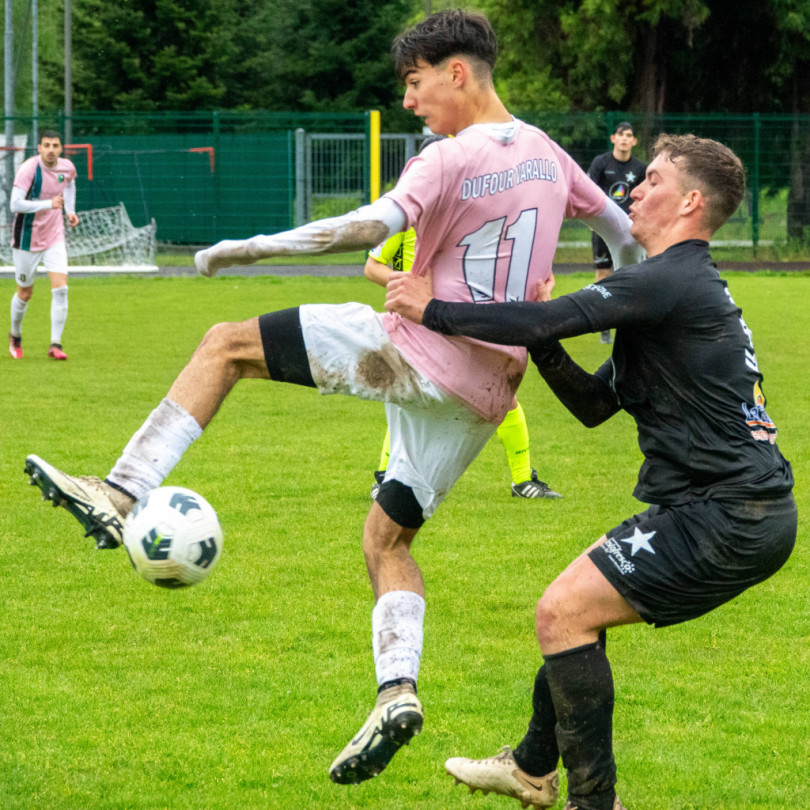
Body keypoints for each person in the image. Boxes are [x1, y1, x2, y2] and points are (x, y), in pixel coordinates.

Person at [25, 9, 640, 788]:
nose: (411, 102)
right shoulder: (553, 157)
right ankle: (397, 692)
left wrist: (246, 250)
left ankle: (119, 491)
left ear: (458, 72)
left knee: (225, 345)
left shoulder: (451, 158)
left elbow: (361, 227)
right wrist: (617, 326)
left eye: (415, 85)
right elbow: (625, 241)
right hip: (488, 392)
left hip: (416, 350)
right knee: (387, 540)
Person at [385, 133, 796, 810]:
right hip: (725, 509)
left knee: (563, 611)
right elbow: (594, 406)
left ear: (691, 203)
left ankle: (590, 801)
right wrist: (543, 344)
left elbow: (545, 316)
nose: (634, 189)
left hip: (729, 512)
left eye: (655, 180)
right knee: (574, 613)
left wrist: (431, 307)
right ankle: (529, 767)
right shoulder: (673, 291)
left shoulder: (668, 280)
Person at [365, 135, 561, 502]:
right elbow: (372, 266)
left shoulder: (476, 207)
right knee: (409, 397)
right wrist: (408, 287)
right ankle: (384, 475)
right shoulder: (408, 215)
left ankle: (523, 480)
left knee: (501, 393)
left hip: (465, 318)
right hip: (420, 322)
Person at [8, 129, 79, 360]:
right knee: (25, 293)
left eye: (55, 146)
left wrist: (70, 211)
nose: (50, 150)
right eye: (46, 145)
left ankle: (55, 344)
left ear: (61, 149)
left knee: (61, 289)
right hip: (26, 238)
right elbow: (15, 204)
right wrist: (49, 203)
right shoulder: (29, 169)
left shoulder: (66, 167)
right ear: (39, 148)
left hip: (54, 236)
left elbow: (69, 185)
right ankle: (15, 335)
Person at [586, 122, 646, 343]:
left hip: (630, 231)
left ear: (634, 141)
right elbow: (589, 191)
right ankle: (604, 325)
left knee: (632, 275)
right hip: (603, 229)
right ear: (613, 138)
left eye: (629, 135)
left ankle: (632, 321)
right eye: (621, 135)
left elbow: (645, 198)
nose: (624, 139)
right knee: (603, 274)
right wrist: (593, 221)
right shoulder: (601, 163)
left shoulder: (640, 169)